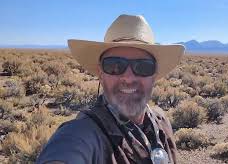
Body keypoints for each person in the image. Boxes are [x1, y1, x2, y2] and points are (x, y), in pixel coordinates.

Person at [36, 14, 185, 164]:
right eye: (115, 66)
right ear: (101, 73)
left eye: (143, 66)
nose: (128, 78)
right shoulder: (82, 134)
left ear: (154, 75)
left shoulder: (161, 122)